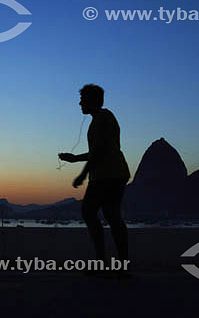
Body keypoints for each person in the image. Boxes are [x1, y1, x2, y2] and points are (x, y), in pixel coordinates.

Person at [58, 84, 131, 276]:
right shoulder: (102, 118)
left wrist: (82, 175)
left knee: (91, 212)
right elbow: (97, 150)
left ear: (92, 101)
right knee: (111, 216)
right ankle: (120, 265)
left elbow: (98, 152)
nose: (80, 103)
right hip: (113, 173)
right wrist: (74, 159)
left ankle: (103, 263)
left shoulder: (102, 119)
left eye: (83, 100)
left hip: (107, 174)